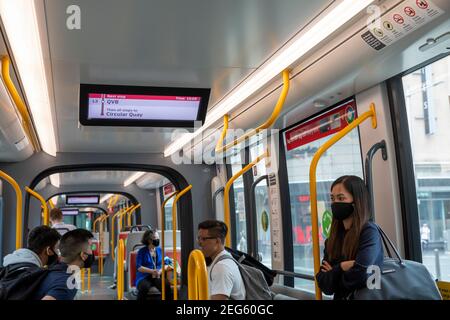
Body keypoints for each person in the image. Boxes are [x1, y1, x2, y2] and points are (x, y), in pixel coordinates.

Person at [315, 175, 384, 300]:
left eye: (341, 198)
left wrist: (334, 273)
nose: (335, 203)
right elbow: (324, 284)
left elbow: (362, 273)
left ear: (356, 201)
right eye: (332, 198)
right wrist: (342, 267)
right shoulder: (332, 240)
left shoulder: (369, 232)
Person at [33, 229, 94, 300]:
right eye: (91, 247)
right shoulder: (67, 283)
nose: (92, 251)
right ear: (83, 255)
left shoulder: (51, 271)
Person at [198, 220, 245, 300]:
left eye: (204, 239)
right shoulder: (225, 258)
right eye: (198, 238)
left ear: (217, 241)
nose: (199, 243)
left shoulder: (221, 267)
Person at [136, 229, 173, 300]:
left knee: (166, 285)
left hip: (158, 275)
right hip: (144, 276)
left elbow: (166, 263)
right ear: (149, 240)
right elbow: (139, 267)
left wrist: (160, 271)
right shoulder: (142, 252)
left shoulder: (160, 250)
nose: (158, 240)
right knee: (144, 287)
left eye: (158, 238)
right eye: (156, 238)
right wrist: (152, 271)